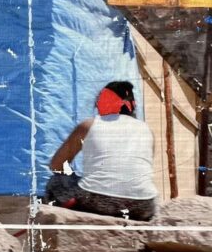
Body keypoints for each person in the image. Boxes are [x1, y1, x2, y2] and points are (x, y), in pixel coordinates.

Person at [45, 81, 158, 221]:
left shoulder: (89, 125)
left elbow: (56, 165)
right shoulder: (147, 130)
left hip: (97, 201)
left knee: (56, 181)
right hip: (143, 205)